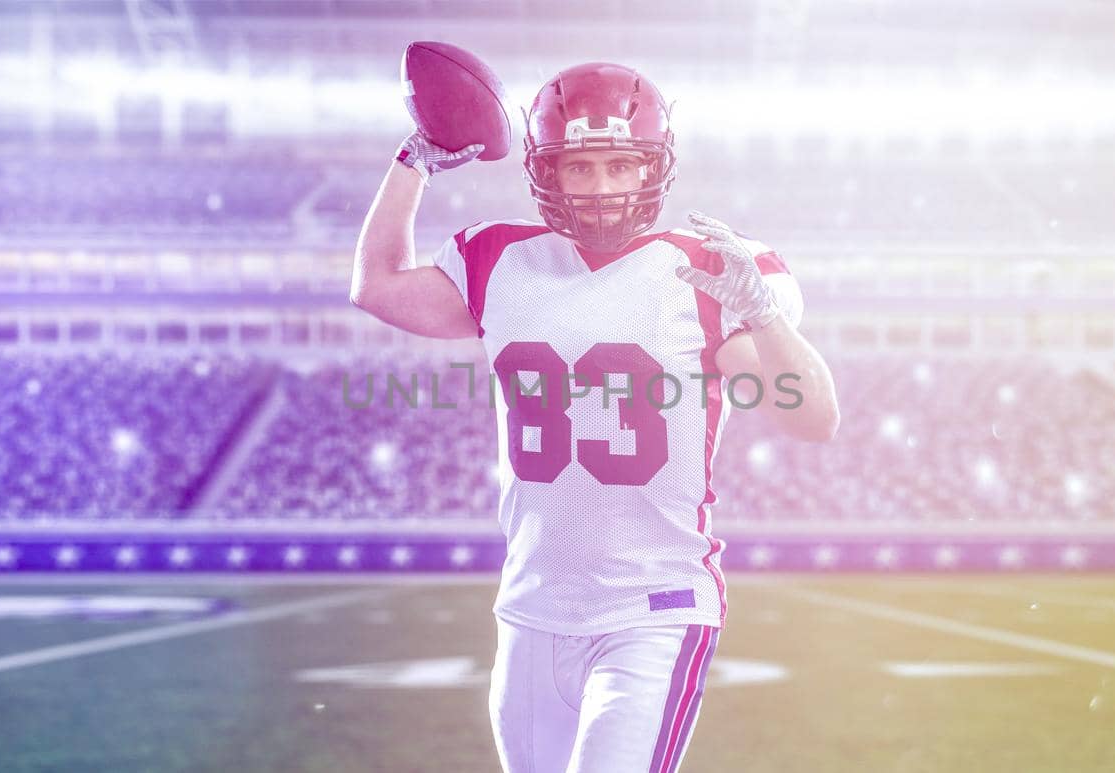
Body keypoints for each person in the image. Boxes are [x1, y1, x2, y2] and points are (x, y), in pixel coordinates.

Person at [351, 61, 838, 773]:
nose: (603, 188)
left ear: (655, 166)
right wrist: (414, 159)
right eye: (580, 168)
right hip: (530, 610)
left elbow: (813, 417)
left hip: (654, 606)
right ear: (547, 171)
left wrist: (764, 315)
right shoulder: (498, 258)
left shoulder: (705, 271)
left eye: (620, 164)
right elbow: (377, 285)